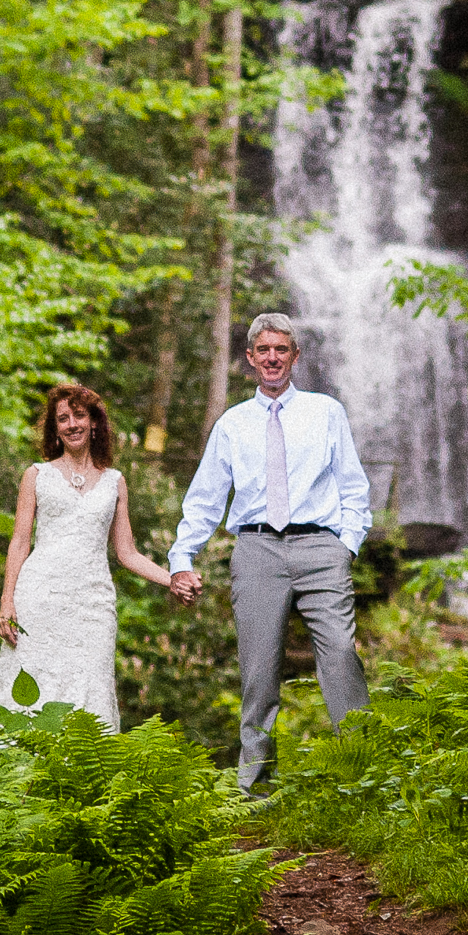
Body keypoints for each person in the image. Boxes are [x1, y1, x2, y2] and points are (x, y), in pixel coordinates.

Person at [167, 311, 371, 792]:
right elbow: (205, 498)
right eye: (264, 350)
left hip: (322, 546)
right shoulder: (232, 424)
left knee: (341, 655)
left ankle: (365, 773)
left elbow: (353, 487)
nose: (273, 357)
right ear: (250, 358)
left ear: (295, 356)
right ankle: (255, 786)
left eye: (282, 349)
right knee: (258, 669)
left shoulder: (326, 412)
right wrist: (182, 558)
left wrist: (347, 547)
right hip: (256, 548)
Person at [0, 382, 172, 728]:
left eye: (78, 416)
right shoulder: (36, 475)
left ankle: (82, 776)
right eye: (63, 419)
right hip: (39, 597)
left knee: (90, 684)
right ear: (56, 429)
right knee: (32, 679)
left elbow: (126, 552)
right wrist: (7, 602)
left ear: (94, 421)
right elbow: (20, 541)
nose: (71, 424)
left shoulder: (115, 481)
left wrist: (172, 580)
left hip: (92, 604)